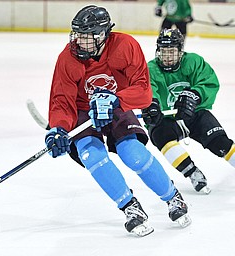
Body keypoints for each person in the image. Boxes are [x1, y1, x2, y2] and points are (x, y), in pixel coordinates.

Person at [44, 5, 191, 237]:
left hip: (117, 103)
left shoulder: (125, 46)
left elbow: (144, 91)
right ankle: (130, 207)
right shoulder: (67, 57)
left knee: (132, 153)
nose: (78, 41)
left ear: (102, 34)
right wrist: (58, 129)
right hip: (84, 109)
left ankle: (173, 198)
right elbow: (62, 100)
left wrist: (116, 99)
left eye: (85, 36)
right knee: (92, 155)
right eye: (77, 35)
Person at [142, 28, 235, 194]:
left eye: (172, 52)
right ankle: (192, 172)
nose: (167, 57)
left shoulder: (193, 61)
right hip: (167, 119)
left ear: (181, 52)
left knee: (220, 143)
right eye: (164, 52)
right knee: (158, 134)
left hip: (195, 114)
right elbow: (148, 90)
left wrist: (194, 95)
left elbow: (209, 82)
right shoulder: (151, 69)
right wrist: (152, 104)